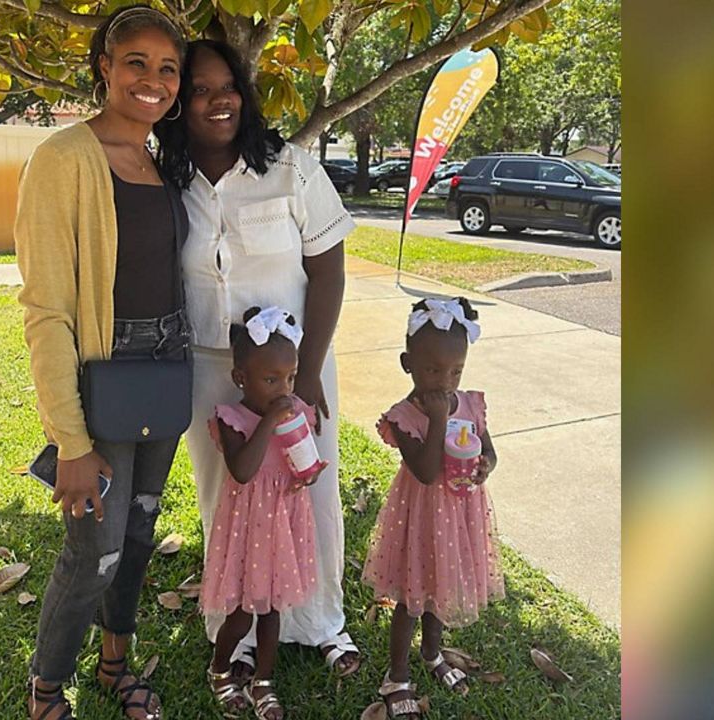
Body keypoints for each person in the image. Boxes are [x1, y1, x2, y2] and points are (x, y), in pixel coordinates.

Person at [153, 38, 362, 682]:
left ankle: (321, 622)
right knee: (226, 497)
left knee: (310, 487)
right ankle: (234, 630)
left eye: (228, 87)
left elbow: (328, 273)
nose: (218, 101)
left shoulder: (291, 169)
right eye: (199, 90)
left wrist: (308, 374)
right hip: (211, 370)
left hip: (295, 371)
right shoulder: (166, 179)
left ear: (244, 93)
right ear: (178, 104)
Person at [14, 6, 188, 719]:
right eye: (136, 62)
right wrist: (70, 440)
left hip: (167, 367)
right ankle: (47, 689)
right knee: (94, 552)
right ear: (105, 68)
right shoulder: (62, 159)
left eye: (168, 68)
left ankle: (116, 666)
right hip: (104, 374)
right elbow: (46, 309)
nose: (153, 80)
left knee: (139, 534)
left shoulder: (162, 160)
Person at [361, 297, 504, 720]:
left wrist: (484, 466)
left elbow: (489, 450)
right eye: (433, 370)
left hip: (459, 517)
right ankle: (397, 676)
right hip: (421, 517)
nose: (445, 381)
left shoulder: (471, 404)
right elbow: (424, 472)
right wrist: (438, 420)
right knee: (412, 596)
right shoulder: (403, 416)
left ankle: (432, 652)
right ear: (408, 364)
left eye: (456, 371)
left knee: (440, 587)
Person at [201, 306, 324, 720]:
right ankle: (220, 670)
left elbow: (300, 463)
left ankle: (264, 681)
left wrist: (307, 474)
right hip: (247, 530)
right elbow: (243, 470)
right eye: (272, 380)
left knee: (272, 612)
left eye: (290, 377)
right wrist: (269, 421)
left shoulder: (295, 413)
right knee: (240, 616)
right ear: (241, 378)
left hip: (283, 527)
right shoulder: (232, 419)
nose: (284, 389)